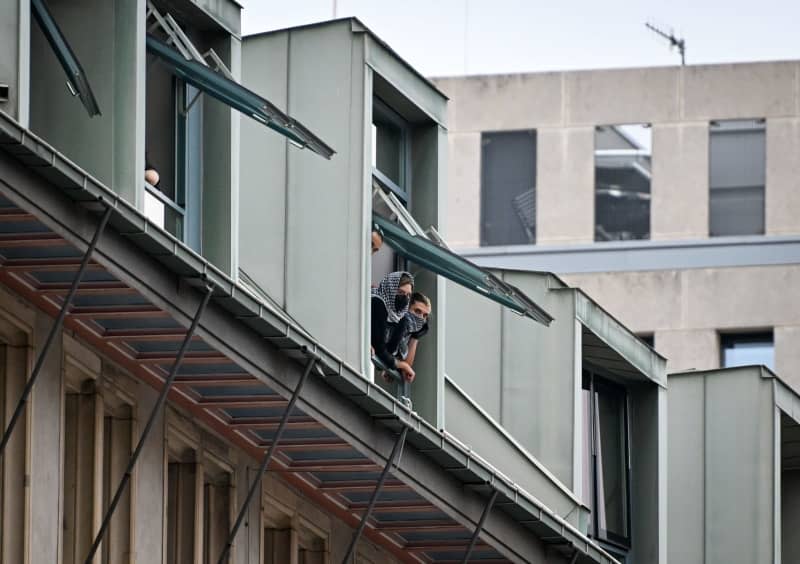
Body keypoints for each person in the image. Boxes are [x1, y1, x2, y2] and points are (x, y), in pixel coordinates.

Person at [370, 271, 415, 382]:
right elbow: (380, 349)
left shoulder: (399, 318)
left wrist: (395, 366)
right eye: (400, 292)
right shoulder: (378, 302)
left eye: (408, 295)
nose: (404, 298)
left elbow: (388, 353)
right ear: (390, 289)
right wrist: (402, 366)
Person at [396, 292, 432, 372]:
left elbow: (406, 369)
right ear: (407, 308)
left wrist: (416, 337)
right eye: (417, 311)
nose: (420, 318)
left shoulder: (409, 334)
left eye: (425, 315)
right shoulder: (393, 321)